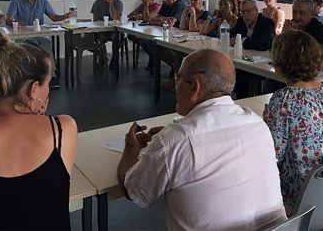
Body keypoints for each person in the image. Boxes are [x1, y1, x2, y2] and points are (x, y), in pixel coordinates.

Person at [117, 49, 287, 230]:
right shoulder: (257, 124)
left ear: (194, 87)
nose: (175, 86)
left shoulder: (173, 142)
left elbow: (135, 192)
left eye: (178, 79)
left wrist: (130, 150)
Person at [0, 31, 77, 230]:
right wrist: (37, 116)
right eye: (48, 84)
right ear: (33, 89)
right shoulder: (62, 129)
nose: (48, 90)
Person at [264, 30, 323, 211]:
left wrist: (266, 124)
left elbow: (273, 155)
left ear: (281, 61)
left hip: (301, 193)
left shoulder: (284, 99)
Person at [6, 0, 72, 88]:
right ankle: (27, 77)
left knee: (46, 44)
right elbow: (9, 19)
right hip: (22, 35)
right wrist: (16, 23)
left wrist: (65, 16)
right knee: (29, 45)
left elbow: (54, 17)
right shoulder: (16, 0)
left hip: (39, 33)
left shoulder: (43, 0)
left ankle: (51, 76)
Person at [141, 0, 186, 73]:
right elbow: (151, 19)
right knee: (145, 41)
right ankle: (173, 64)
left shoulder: (180, 4)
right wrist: (164, 19)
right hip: (166, 33)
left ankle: (176, 66)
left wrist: (161, 20)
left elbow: (170, 23)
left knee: (153, 44)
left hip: (179, 35)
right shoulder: (165, 4)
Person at [91, 0, 123, 69]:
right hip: (101, 30)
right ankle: (102, 56)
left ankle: (114, 61)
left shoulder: (118, 3)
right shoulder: (98, 2)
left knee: (117, 38)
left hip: (113, 30)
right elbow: (95, 20)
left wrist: (111, 3)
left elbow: (115, 17)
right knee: (86, 39)